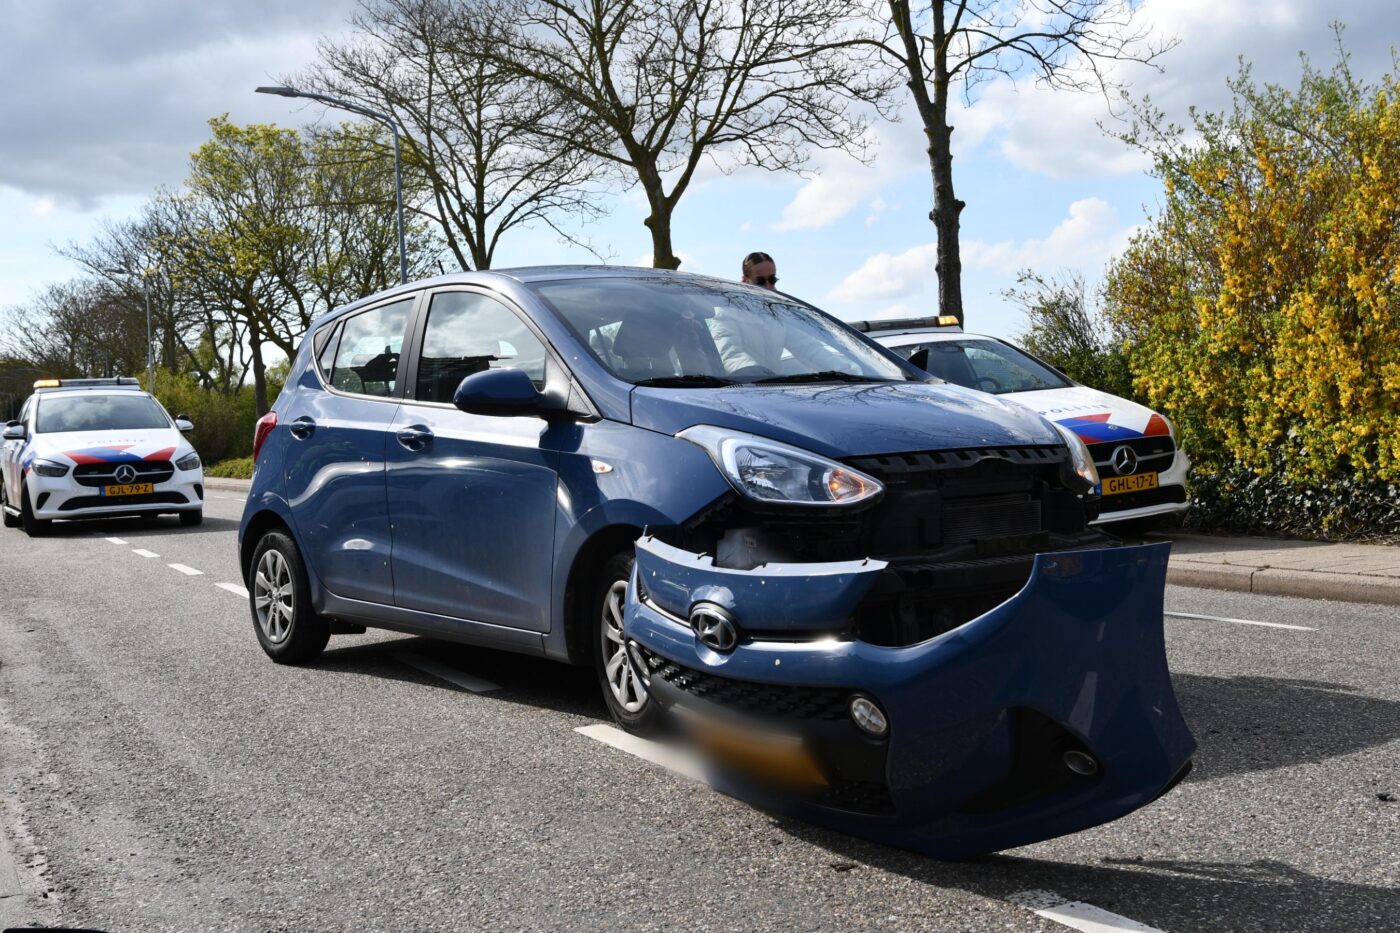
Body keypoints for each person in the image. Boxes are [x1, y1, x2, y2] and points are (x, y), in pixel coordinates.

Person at [711, 251, 850, 375]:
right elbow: (731, 355)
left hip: (774, 390)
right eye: (760, 282)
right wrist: (760, 375)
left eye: (772, 280)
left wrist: (845, 370)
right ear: (744, 281)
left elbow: (809, 349)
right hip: (741, 390)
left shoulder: (777, 316)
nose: (769, 287)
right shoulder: (726, 313)